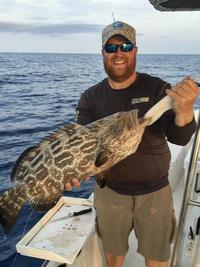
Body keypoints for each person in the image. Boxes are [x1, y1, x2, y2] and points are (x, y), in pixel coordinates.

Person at [65, 21, 199, 267]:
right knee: (113, 256)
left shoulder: (158, 88)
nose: (119, 53)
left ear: (135, 50)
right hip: (109, 194)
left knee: (157, 259)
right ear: (103, 53)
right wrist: (72, 172)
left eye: (126, 46)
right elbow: (77, 143)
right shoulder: (90, 97)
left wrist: (185, 111)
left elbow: (179, 138)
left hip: (155, 193)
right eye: (111, 47)